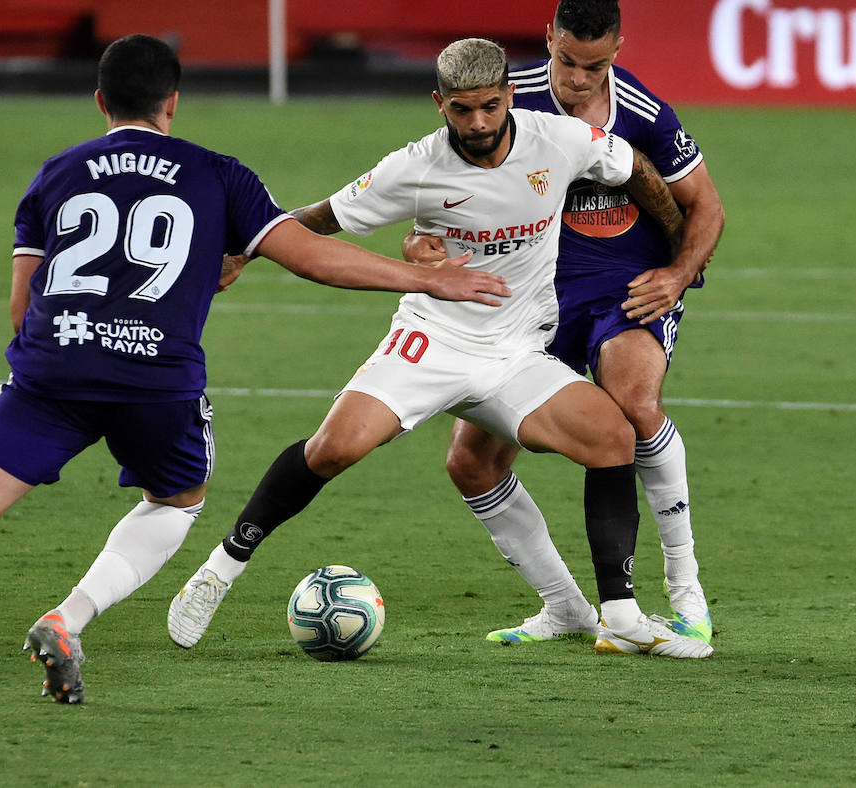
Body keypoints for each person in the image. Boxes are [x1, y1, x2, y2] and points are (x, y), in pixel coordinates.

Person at [0, 34, 510, 715]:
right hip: (158, 382)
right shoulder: (217, 174)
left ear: (101, 101)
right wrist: (426, 280)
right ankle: (66, 618)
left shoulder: (57, 173)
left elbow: (21, 307)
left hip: (54, 370)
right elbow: (311, 256)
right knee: (177, 498)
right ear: (174, 101)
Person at [167, 37, 714, 660]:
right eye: (461, 110)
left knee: (613, 437)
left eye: (488, 106)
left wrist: (675, 254)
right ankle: (219, 570)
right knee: (333, 449)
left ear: (509, 95)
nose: (477, 123)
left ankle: (615, 615)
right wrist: (243, 246)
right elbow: (323, 216)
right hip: (432, 341)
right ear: (439, 104)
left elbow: (634, 168)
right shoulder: (415, 167)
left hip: (514, 352)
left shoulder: (559, 140)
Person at [405, 0, 725, 644]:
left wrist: (676, 273)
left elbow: (707, 206)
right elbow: (437, 194)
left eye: (594, 67)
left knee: (634, 404)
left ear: (617, 51)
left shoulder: (640, 111)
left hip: (624, 289)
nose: (578, 81)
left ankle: (686, 588)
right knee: (470, 464)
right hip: (530, 301)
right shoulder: (502, 98)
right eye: (568, 61)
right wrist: (424, 244)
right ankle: (566, 606)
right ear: (548, 35)